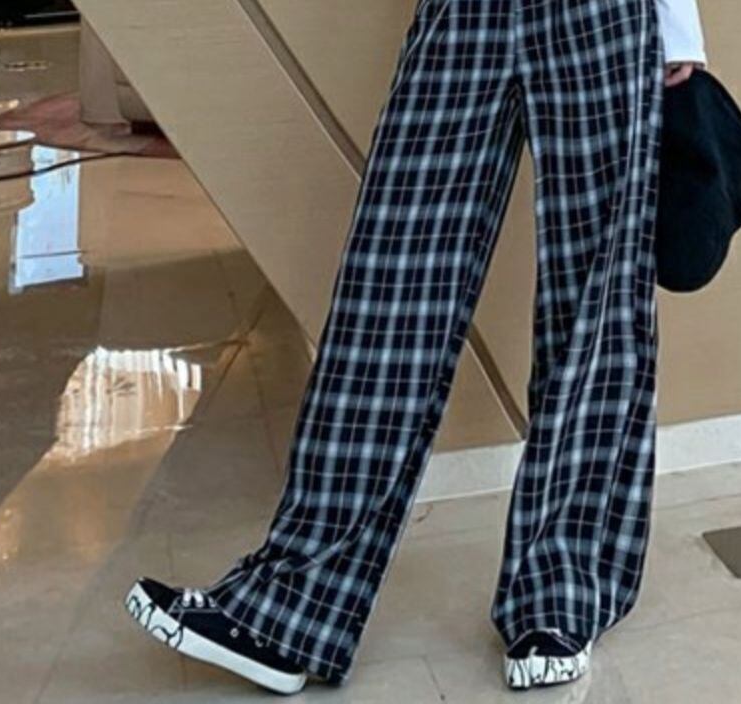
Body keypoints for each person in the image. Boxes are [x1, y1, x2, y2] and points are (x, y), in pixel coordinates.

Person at [124, 0, 707, 694]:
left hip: (603, 17)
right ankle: (292, 608)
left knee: (595, 305)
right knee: (392, 288)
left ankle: (561, 596)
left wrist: (678, 27)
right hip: (461, 14)